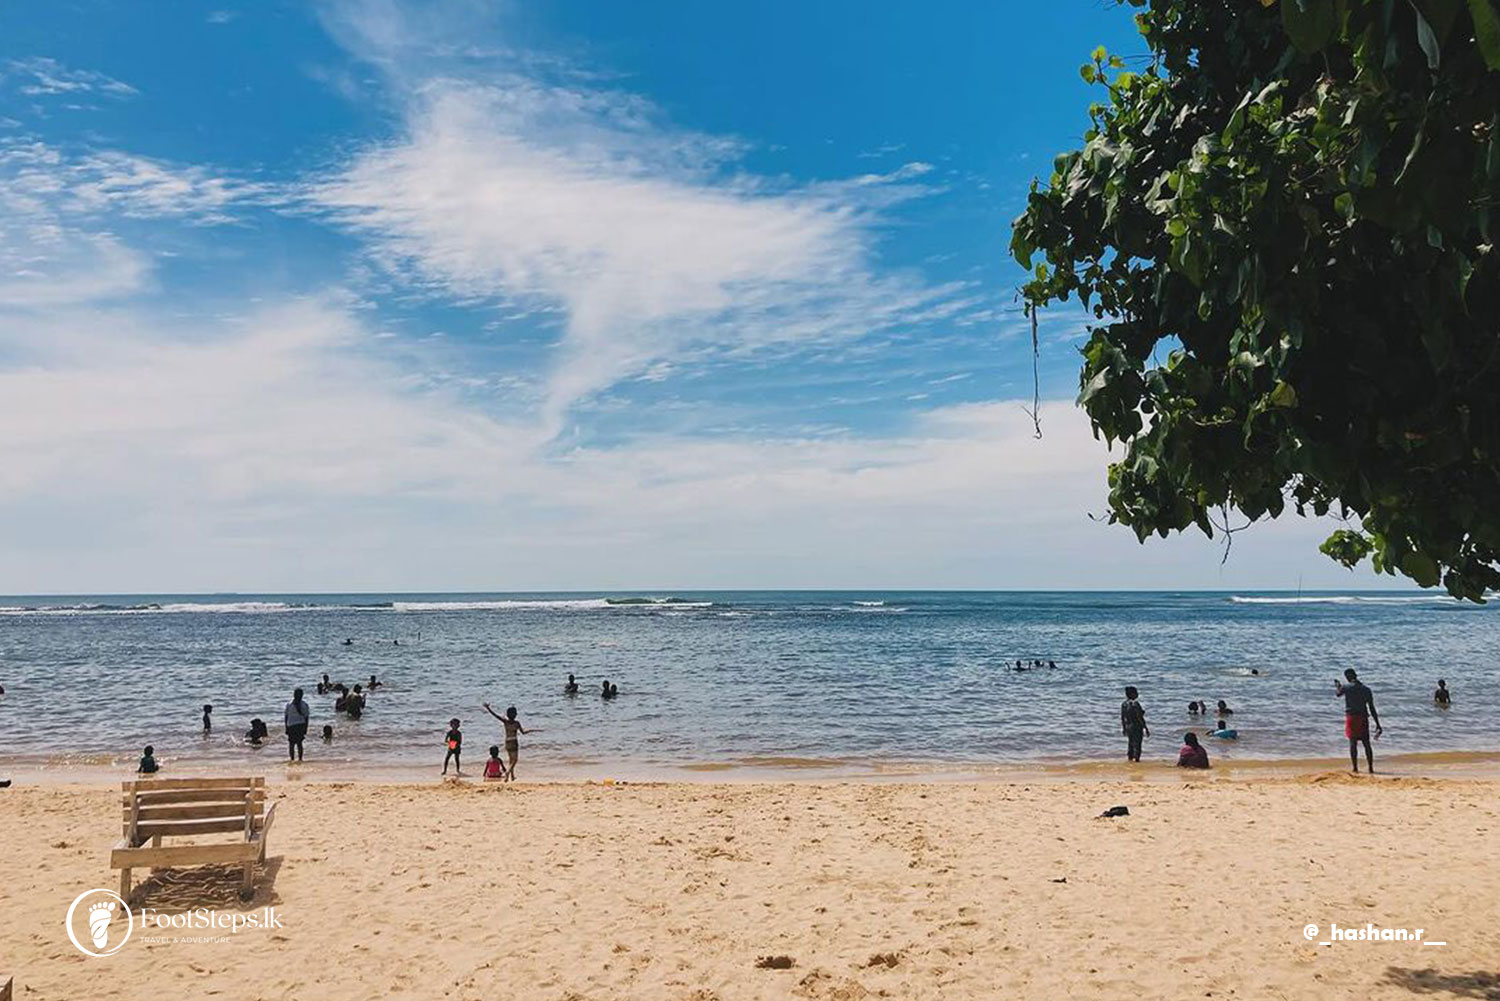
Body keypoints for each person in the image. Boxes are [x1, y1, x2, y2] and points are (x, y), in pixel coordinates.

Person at [1334, 668, 1382, 773]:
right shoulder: (1366, 689)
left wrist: (1338, 686)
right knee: (1366, 743)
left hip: (1352, 717)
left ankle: (1355, 768)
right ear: (1356, 675)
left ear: (1347, 677)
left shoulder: (1346, 687)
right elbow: (1372, 708)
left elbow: (1338, 694)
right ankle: (1370, 768)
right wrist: (1378, 724)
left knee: (1353, 743)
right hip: (1363, 717)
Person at [483, 703, 527, 782]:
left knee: (510, 760)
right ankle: (508, 773)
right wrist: (530, 731)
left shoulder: (505, 721)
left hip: (507, 741)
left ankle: (512, 776)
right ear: (515, 715)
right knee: (515, 760)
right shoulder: (517, 723)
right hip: (514, 741)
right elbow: (523, 732)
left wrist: (488, 708)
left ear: (507, 714)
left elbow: (495, 715)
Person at [1120, 686, 1149, 762]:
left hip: (1128, 726)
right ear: (1132, 694)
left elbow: (1123, 717)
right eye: (1136, 693)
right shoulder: (1135, 704)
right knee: (1138, 744)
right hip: (1136, 726)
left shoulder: (1124, 704)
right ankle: (1137, 760)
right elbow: (1139, 717)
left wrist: (1124, 728)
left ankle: (1130, 759)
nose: (1137, 694)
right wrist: (1145, 727)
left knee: (1130, 744)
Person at [284, 687, 310, 763]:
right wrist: (306, 728)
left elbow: (286, 717)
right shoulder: (304, 705)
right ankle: (300, 759)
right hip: (300, 725)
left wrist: (286, 727)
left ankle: (292, 759)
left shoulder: (289, 704)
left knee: (291, 744)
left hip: (291, 725)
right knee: (299, 744)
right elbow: (306, 718)